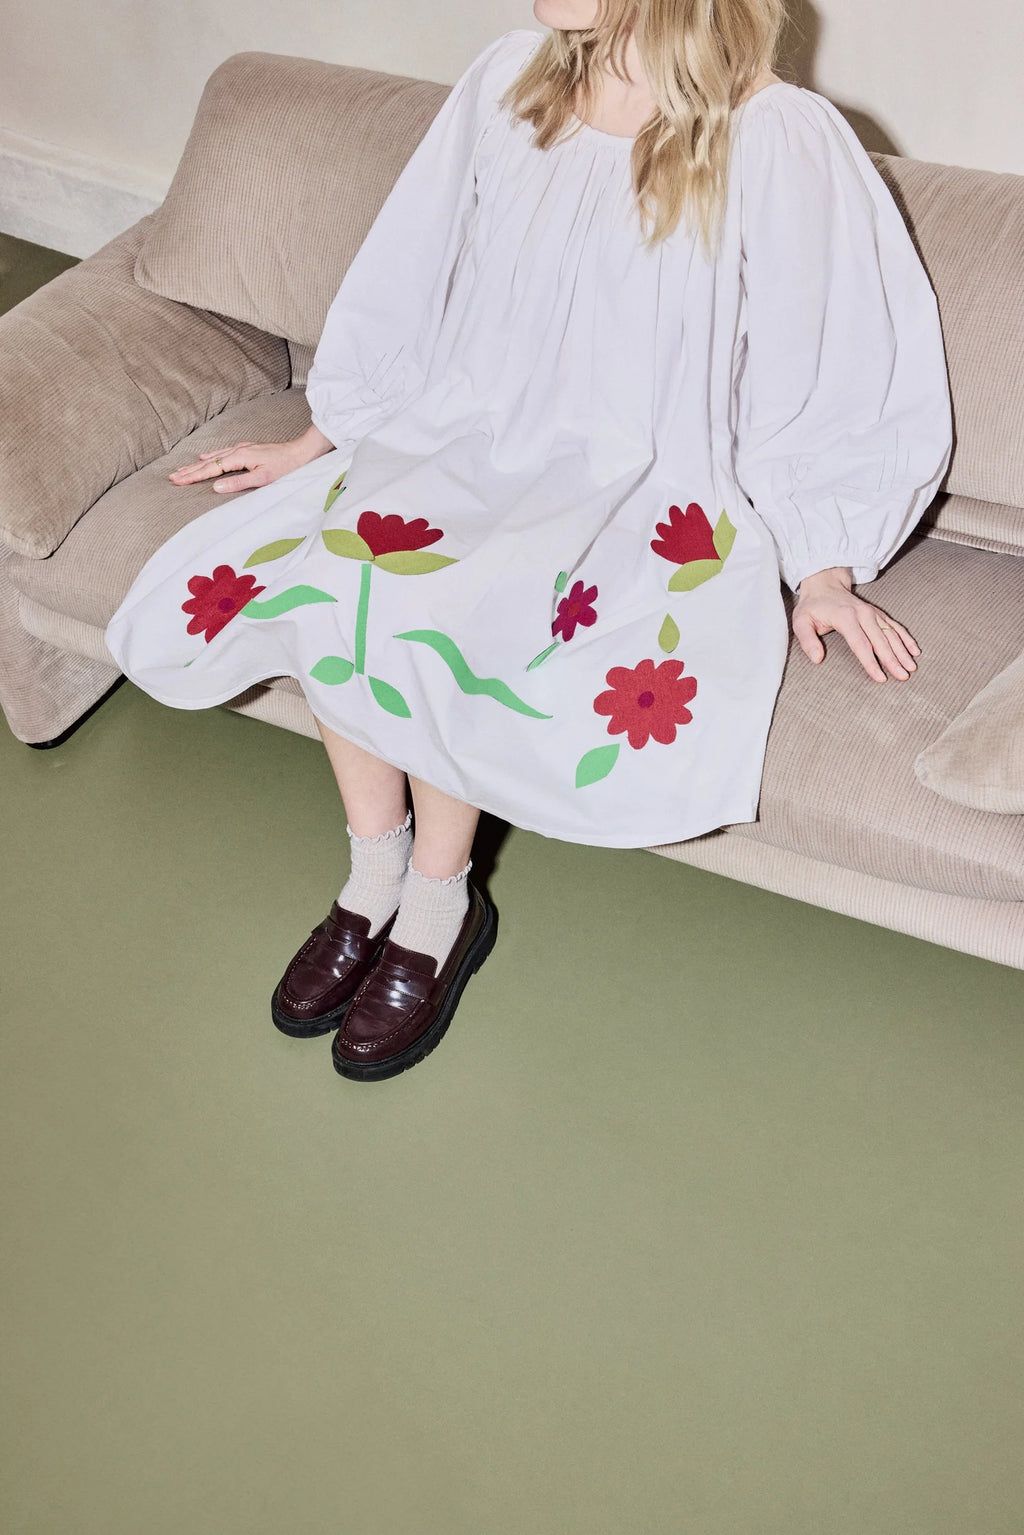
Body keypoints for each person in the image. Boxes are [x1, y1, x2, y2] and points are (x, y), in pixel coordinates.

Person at [104, 1, 954, 1083]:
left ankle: (437, 901)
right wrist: (328, 431)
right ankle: (373, 874)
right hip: (469, 428)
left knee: (459, 593)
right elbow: (414, 271)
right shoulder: (513, 80)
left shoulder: (777, 137)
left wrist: (821, 559)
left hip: (641, 476)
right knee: (336, 565)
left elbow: (821, 356)